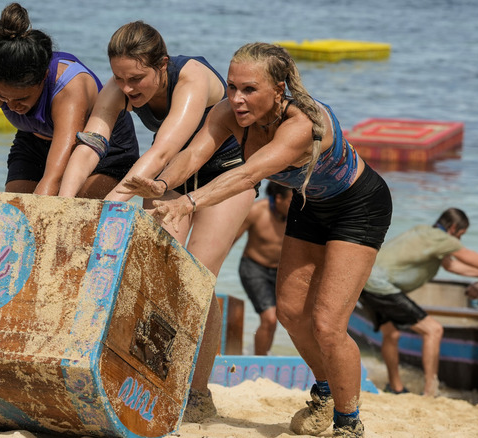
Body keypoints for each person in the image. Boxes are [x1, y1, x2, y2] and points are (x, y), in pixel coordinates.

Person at [118, 42, 393, 437]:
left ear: (279, 89)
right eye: (231, 87)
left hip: (358, 206)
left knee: (328, 324)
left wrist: (190, 203)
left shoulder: (301, 124)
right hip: (309, 204)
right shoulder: (229, 113)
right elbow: (193, 155)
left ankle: (349, 424)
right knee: (291, 314)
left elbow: (247, 177)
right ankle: (325, 392)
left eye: (249, 89)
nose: (236, 98)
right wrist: (162, 184)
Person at [58, 21, 257, 422]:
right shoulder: (121, 84)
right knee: (157, 274)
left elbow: (164, 148)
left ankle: (198, 391)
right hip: (166, 180)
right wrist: (65, 204)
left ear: (162, 65)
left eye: (137, 79)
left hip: (224, 178)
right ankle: (152, 376)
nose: (127, 89)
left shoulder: (192, 79)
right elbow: (92, 142)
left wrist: (115, 203)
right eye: (119, 78)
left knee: (196, 279)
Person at [0, 3, 138, 198]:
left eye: (21, 99)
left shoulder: (70, 87)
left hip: (102, 147)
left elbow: (53, 180)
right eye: (3, 98)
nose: (12, 106)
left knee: (70, 206)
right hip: (34, 142)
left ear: (43, 77)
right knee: (16, 207)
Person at [359, 208, 478, 397]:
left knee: (391, 334)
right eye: (461, 235)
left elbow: (452, 266)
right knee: (433, 330)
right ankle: (430, 391)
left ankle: (395, 387)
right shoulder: (443, 240)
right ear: (454, 227)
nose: (459, 241)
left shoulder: (424, 231)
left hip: (364, 281)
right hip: (382, 286)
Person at [235, 181, 292, 356]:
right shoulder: (256, 212)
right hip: (254, 268)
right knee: (269, 318)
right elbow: (229, 241)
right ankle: (258, 361)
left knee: (280, 320)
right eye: (292, 200)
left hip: (280, 272)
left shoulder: (297, 218)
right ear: (279, 198)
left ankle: (263, 355)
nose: (296, 205)